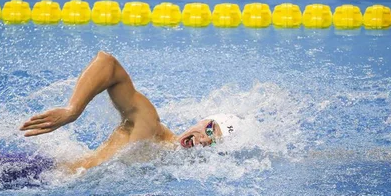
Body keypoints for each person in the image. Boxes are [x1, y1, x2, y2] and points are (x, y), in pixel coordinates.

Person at [20, 51, 241, 172]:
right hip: (36, 173)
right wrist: (72, 110)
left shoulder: (165, 163)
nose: (204, 140)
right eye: (210, 130)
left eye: (213, 142)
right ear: (201, 121)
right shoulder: (151, 128)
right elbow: (108, 64)